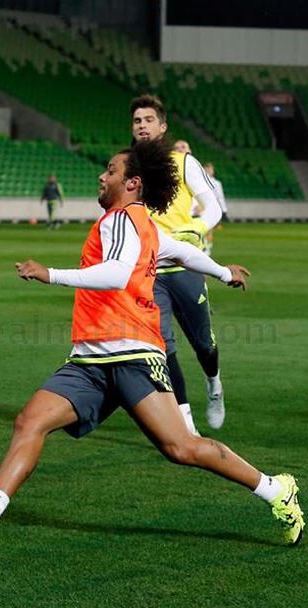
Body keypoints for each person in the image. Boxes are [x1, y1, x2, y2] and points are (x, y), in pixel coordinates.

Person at [0, 139, 305, 545]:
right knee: (30, 421)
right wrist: (221, 271)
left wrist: (50, 273)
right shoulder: (143, 225)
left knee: (181, 448)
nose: (102, 176)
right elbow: (181, 251)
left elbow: (117, 274)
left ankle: (275, 488)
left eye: (110, 171)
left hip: (133, 354)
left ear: (132, 183)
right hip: (90, 359)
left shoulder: (122, 219)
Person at [131, 95, 226, 434]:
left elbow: (212, 207)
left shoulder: (183, 162)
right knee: (163, 346)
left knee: (203, 343)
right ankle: (185, 423)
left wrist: (197, 227)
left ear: (162, 126)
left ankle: (214, 384)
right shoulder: (128, 165)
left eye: (148, 120)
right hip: (148, 272)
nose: (142, 125)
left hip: (186, 266)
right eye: (137, 121)